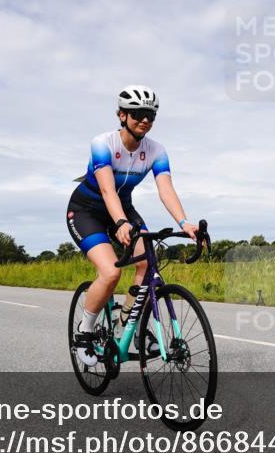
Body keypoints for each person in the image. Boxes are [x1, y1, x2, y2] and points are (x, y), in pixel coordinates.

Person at [66, 85, 198, 366]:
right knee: (111, 272)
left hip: (123, 210)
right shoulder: (103, 143)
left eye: (151, 114)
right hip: (87, 210)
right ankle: (85, 332)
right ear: (122, 115)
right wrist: (121, 222)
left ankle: (127, 322)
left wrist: (185, 223)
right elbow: (106, 190)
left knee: (146, 262)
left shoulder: (156, 150)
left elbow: (166, 189)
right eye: (138, 113)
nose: (145, 120)